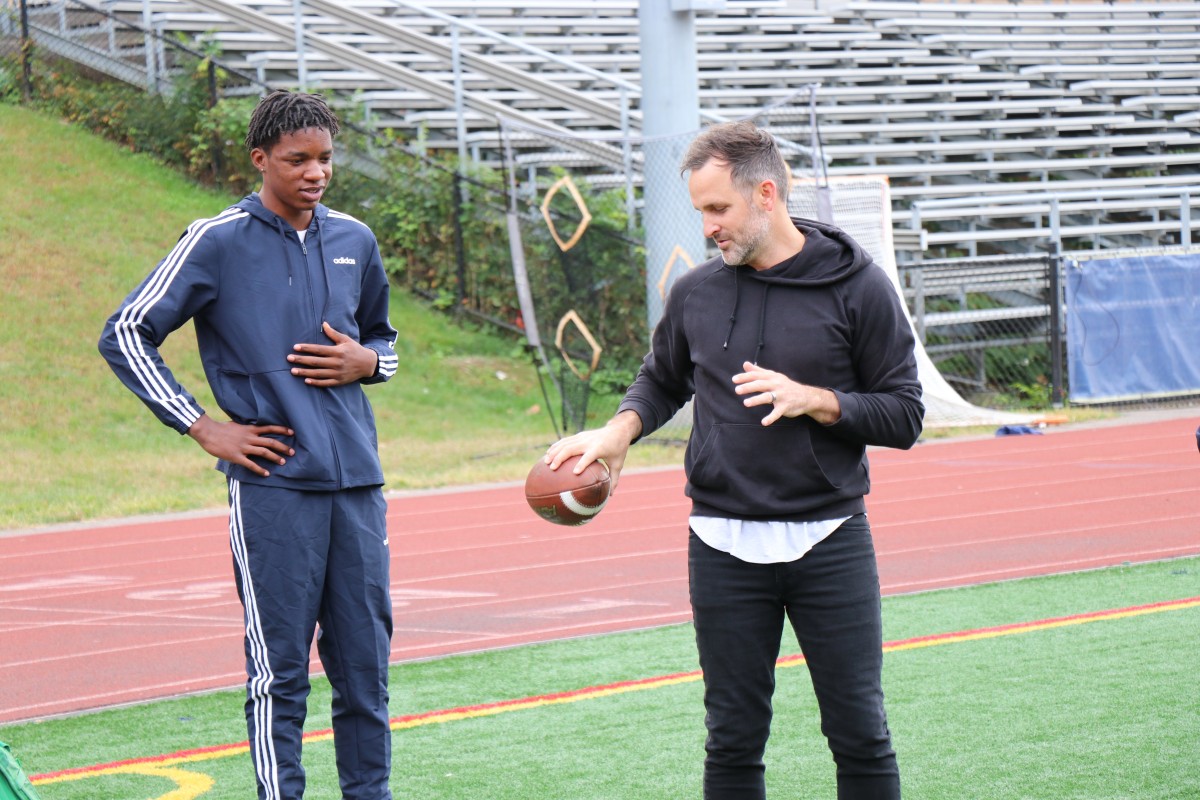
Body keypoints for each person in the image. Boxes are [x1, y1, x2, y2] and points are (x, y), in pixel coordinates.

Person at [546, 120, 924, 800]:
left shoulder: (859, 287)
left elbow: (904, 414)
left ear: (767, 195)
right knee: (732, 739)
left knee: (860, 733)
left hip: (829, 539)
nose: (708, 227)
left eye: (718, 209)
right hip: (720, 543)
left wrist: (818, 400)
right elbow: (662, 380)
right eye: (700, 211)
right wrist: (619, 431)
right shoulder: (698, 292)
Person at [98, 90, 398, 800]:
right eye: (298, 160)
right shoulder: (217, 239)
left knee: (365, 669)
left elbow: (382, 337)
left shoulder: (355, 238)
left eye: (326, 158)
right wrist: (201, 425)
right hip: (274, 489)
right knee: (279, 674)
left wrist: (371, 363)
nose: (315, 172)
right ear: (261, 159)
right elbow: (126, 331)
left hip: (357, 486)